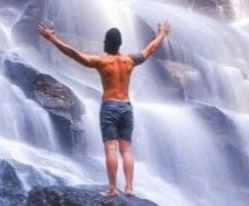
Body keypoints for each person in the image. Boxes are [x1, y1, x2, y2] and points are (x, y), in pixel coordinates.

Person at [38, 21, 171, 198]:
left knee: (110, 148)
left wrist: (52, 38)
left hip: (109, 107)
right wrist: (162, 34)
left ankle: (113, 188)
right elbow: (150, 49)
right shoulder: (129, 61)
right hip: (126, 107)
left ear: (106, 43)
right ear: (120, 43)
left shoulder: (101, 62)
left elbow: (74, 54)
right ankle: (130, 188)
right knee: (127, 150)